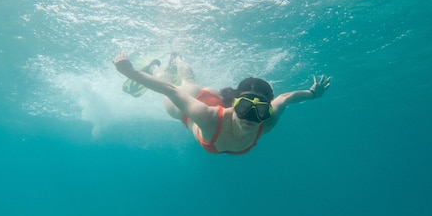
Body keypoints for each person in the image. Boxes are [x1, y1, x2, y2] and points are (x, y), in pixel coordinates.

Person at [113, 52, 331, 155]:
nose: (250, 118)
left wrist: (312, 93)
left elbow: (285, 98)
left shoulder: (269, 120)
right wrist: (130, 72)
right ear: (235, 103)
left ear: (267, 111)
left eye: (261, 110)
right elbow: (168, 90)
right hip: (193, 107)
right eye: (245, 107)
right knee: (182, 84)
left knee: (188, 81)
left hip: (216, 105)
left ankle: (175, 61)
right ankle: (166, 63)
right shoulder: (206, 116)